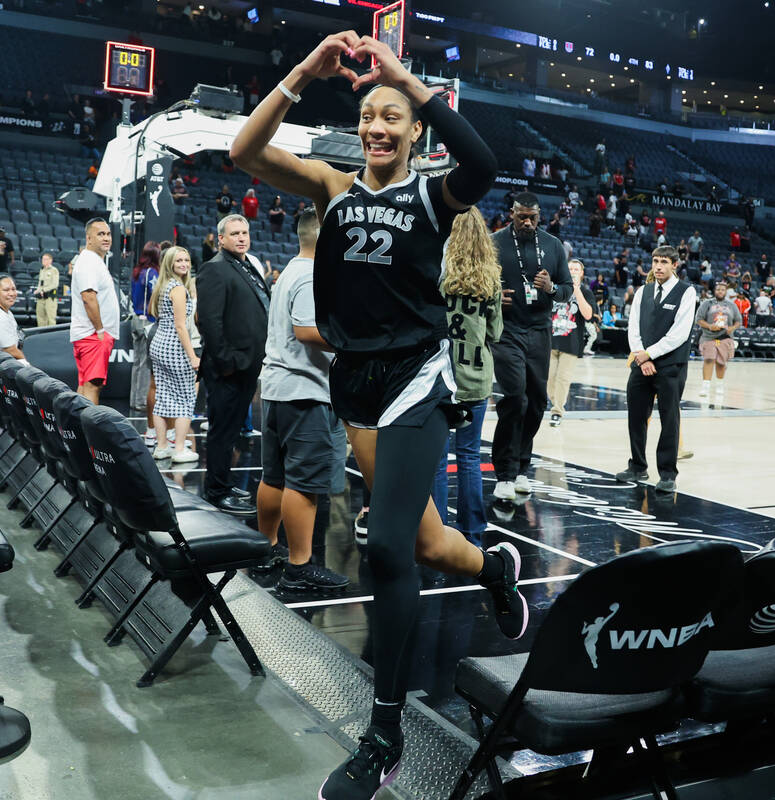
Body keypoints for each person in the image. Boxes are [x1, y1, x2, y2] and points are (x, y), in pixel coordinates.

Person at [229, 32, 526, 799]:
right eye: (370, 115)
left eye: (394, 115)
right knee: (425, 540)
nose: (380, 126)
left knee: (390, 545)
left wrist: (407, 77)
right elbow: (244, 150)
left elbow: (486, 167)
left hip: (416, 376)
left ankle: (383, 733)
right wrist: (299, 72)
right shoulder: (333, 188)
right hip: (353, 382)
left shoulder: (431, 192)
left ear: (415, 128)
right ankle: (494, 567)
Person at [255, 208, 350, 592]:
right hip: (304, 391)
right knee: (304, 483)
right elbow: (307, 330)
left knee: (274, 476)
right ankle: (299, 566)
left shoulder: (290, 269)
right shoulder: (313, 275)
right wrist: (353, 343)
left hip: (278, 388)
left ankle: (268, 548)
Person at [490, 192, 572, 501]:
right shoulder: (494, 242)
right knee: (515, 396)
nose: (526, 222)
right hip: (507, 330)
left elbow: (566, 290)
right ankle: (504, 473)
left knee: (537, 401)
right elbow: (478, 282)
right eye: (521, 216)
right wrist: (494, 296)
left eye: (532, 217)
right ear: (511, 213)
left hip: (540, 331)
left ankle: (522, 467)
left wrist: (551, 287)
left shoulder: (552, 245)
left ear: (540, 216)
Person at [431, 207, 503, 544]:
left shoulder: (440, 276)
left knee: (437, 459)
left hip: (443, 376)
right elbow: (496, 332)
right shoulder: (491, 280)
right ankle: (473, 533)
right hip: (476, 376)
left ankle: (438, 534)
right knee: (470, 457)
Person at [195, 213, 265, 516]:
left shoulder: (245, 265)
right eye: (235, 233)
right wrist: (228, 364)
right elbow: (209, 323)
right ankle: (217, 492)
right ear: (220, 238)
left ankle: (222, 483)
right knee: (222, 433)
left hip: (246, 365)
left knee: (232, 430)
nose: (241, 238)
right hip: (230, 368)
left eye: (245, 232)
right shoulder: (215, 269)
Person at [617, 246, 697, 493]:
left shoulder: (687, 291)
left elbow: (679, 334)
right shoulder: (644, 291)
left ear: (675, 265)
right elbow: (634, 328)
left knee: (669, 419)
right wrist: (642, 358)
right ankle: (638, 466)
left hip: (670, 366)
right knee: (636, 416)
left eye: (664, 262)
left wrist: (649, 354)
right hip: (642, 363)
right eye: (655, 261)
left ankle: (668, 474)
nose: (658, 266)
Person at [148, 246, 202, 462]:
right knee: (187, 398)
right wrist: (193, 357)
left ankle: (161, 447)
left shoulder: (163, 285)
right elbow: (181, 327)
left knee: (163, 397)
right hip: (174, 347)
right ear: (170, 263)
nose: (184, 264)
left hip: (159, 344)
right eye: (179, 260)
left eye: (186, 260)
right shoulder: (178, 288)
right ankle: (179, 449)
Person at [70, 218, 120, 403]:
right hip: (93, 334)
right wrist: (100, 330)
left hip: (91, 334)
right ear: (89, 238)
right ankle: (90, 432)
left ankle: (76, 430)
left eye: (108, 234)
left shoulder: (93, 261)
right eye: (101, 234)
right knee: (92, 386)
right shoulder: (89, 262)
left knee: (85, 385)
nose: (106, 238)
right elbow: (88, 297)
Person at [546, 259, 595, 427]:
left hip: (571, 343)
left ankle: (557, 411)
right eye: (570, 268)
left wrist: (576, 290)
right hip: (551, 340)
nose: (573, 271)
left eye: (576, 269)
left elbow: (588, 315)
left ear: (581, 273)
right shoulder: (556, 288)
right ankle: (556, 402)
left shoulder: (586, 292)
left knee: (563, 379)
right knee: (549, 378)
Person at [695, 280, 739, 401]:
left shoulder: (731, 305)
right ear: (715, 291)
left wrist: (732, 328)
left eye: (723, 289)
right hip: (709, 336)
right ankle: (705, 386)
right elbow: (698, 319)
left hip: (725, 337)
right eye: (718, 289)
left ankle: (720, 386)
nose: (720, 291)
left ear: (726, 291)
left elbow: (738, 320)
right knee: (709, 360)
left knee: (721, 362)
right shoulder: (707, 303)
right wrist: (709, 326)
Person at [131, 241, 161, 318]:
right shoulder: (152, 273)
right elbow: (157, 296)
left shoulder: (137, 270)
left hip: (137, 315)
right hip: (149, 317)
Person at [34, 252, 60, 327]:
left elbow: (55, 284)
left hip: (50, 297)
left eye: (45, 259)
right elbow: (40, 283)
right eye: (42, 259)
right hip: (41, 297)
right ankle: (41, 335)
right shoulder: (42, 270)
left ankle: (51, 336)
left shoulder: (54, 270)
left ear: (50, 260)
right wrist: (38, 290)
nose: (43, 261)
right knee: (40, 317)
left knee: (51, 318)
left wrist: (43, 290)